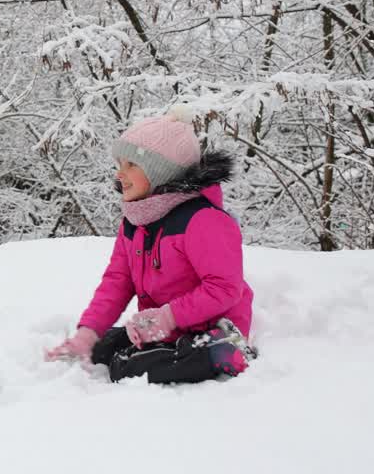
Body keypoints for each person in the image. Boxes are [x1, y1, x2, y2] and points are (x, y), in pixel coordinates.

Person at [45, 108, 256, 384]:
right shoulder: (136, 222)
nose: (120, 174)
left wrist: (168, 317)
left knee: (126, 369)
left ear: (161, 171)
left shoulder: (202, 220)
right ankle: (164, 347)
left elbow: (225, 288)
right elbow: (117, 281)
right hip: (165, 326)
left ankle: (226, 352)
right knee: (102, 350)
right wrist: (89, 333)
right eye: (119, 164)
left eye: (131, 165)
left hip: (213, 327)